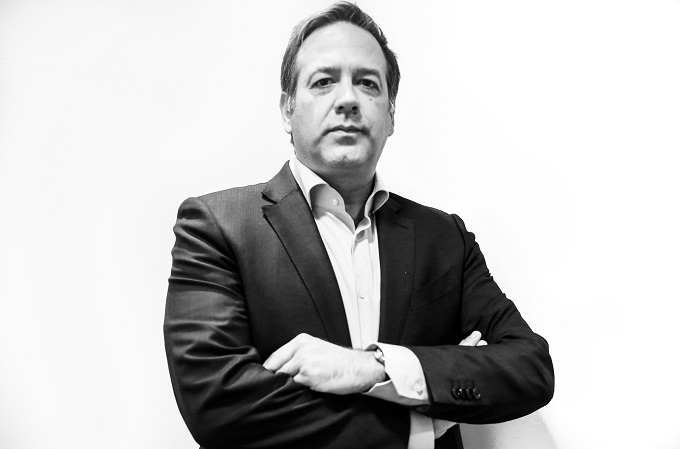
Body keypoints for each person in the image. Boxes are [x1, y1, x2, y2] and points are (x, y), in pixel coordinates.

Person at [163, 2, 554, 448]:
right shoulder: (217, 226)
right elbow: (217, 403)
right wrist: (419, 425)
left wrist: (374, 367)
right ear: (287, 109)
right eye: (323, 81)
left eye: (368, 83)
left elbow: (530, 367)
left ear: (391, 115)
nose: (347, 99)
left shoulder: (445, 239)